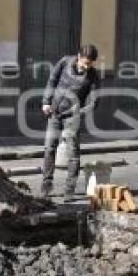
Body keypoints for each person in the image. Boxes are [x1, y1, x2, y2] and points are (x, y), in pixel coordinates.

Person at [40, 44, 101, 202]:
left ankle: (69, 191)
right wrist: (46, 102)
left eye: (90, 64)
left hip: (72, 118)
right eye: (85, 63)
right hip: (54, 113)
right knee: (49, 149)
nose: (87, 66)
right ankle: (46, 187)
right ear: (79, 56)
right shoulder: (64, 62)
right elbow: (51, 82)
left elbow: (94, 102)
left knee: (73, 154)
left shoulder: (93, 75)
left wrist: (77, 113)